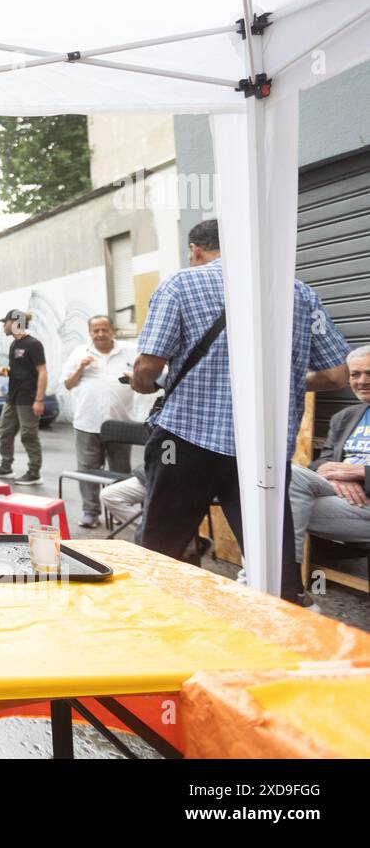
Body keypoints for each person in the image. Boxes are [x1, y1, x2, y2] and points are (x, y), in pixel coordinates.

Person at [129, 219, 349, 602]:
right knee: (271, 558)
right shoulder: (298, 293)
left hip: (186, 440)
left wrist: (142, 384)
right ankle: (283, 634)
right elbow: (337, 375)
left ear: (196, 250)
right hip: (262, 448)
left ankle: (155, 629)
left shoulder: (181, 284)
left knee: (160, 548)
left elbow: (148, 367)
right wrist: (284, 380)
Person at [289, 344, 370, 558]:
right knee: (289, 475)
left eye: (369, 373)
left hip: (365, 502)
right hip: (343, 497)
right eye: (355, 374)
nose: (362, 381)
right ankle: (286, 577)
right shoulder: (345, 417)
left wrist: (360, 472)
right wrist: (335, 476)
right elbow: (319, 463)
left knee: (281, 509)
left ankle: (282, 580)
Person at [61, 315, 138, 527]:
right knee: (87, 471)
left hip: (121, 424)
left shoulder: (130, 350)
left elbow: (144, 378)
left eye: (104, 329)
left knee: (121, 472)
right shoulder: (80, 353)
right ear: (90, 333)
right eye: (96, 330)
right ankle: (90, 512)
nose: (100, 334)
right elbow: (68, 384)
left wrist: (133, 376)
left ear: (113, 330)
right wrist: (80, 368)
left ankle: (123, 516)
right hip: (88, 422)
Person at [0, 309, 46, 485]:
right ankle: (5, 467)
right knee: (5, 430)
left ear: (15, 322)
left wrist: (39, 400)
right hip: (12, 397)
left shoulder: (33, 344)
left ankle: (34, 473)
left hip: (28, 398)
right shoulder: (14, 345)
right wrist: (7, 371)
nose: (3, 326)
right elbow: (21, 370)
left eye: (5, 322)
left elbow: (42, 372)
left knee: (28, 435)